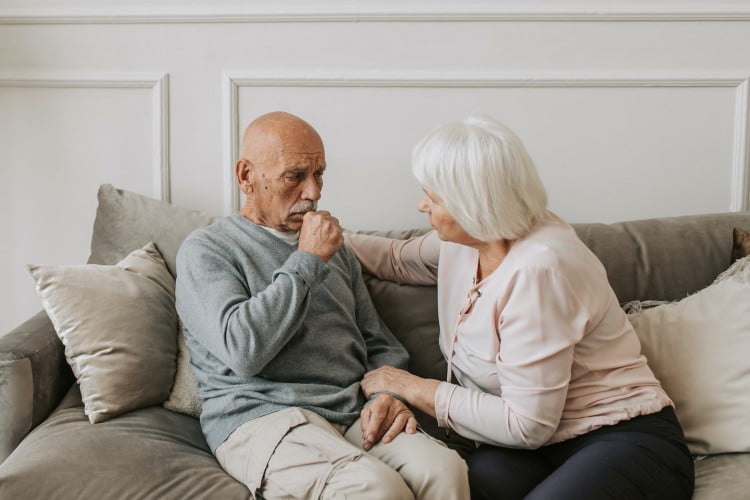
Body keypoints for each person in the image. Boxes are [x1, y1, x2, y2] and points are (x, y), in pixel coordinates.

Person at [344, 115, 695, 499]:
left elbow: (527, 425)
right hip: (531, 449)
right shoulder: (466, 242)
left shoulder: (539, 269)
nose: (421, 204)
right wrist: (314, 237)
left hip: (622, 437)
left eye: (434, 196)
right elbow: (396, 259)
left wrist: (406, 385)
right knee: (452, 490)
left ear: (470, 203)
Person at [175, 111, 469, 499]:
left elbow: (378, 341)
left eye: (320, 175)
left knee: (445, 470)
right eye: (295, 176)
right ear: (246, 176)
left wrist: (386, 395)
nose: (313, 192)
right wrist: (308, 260)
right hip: (261, 418)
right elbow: (243, 351)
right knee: (375, 489)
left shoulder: (335, 249)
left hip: (350, 409)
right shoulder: (208, 249)